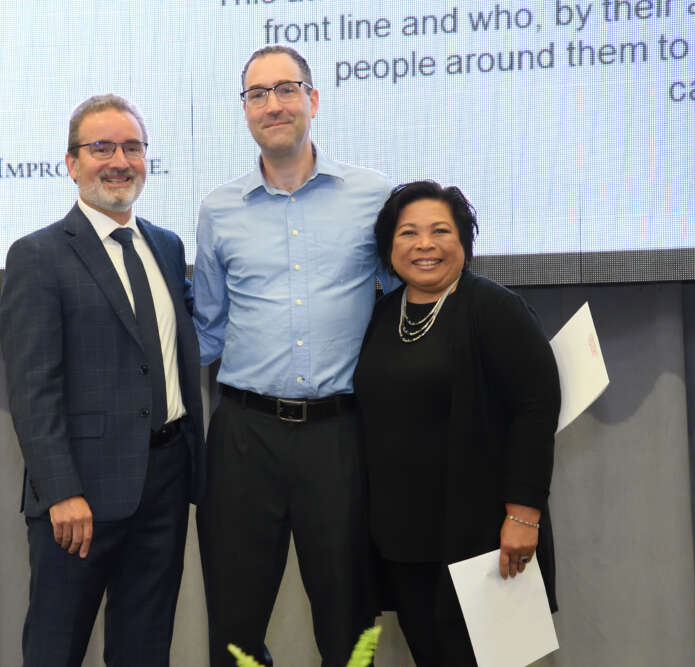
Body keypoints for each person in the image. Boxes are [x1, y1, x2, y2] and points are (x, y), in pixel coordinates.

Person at [192, 45, 396, 666]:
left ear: (313, 99)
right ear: (245, 111)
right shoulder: (217, 210)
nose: (272, 104)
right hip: (243, 438)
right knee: (233, 625)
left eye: (286, 89)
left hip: (339, 437)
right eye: (257, 94)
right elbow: (207, 329)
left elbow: (404, 314)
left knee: (349, 622)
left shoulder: (374, 197)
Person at [0, 93, 205, 667]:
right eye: (101, 147)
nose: (119, 160)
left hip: (164, 483)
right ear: (71, 163)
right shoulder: (38, 255)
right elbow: (32, 387)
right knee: (55, 648)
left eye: (132, 147)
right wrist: (61, 490)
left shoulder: (166, 246)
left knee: (145, 650)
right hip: (80, 496)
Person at [353, 180, 561, 665]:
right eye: (408, 233)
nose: (424, 245)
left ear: (463, 240)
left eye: (439, 231)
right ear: (389, 246)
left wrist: (522, 515)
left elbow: (536, 409)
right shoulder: (384, 314)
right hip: (404, 539)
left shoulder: (493, 308)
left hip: (482, 538)